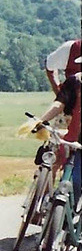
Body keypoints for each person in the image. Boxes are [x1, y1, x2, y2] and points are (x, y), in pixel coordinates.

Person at [34, 56, 82, 203]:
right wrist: (41, 121)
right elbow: (59, 104)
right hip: (73, 135)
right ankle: (44, 205)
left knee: (76, 180)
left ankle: (66, 218)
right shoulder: (74, 82)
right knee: (56, 166)